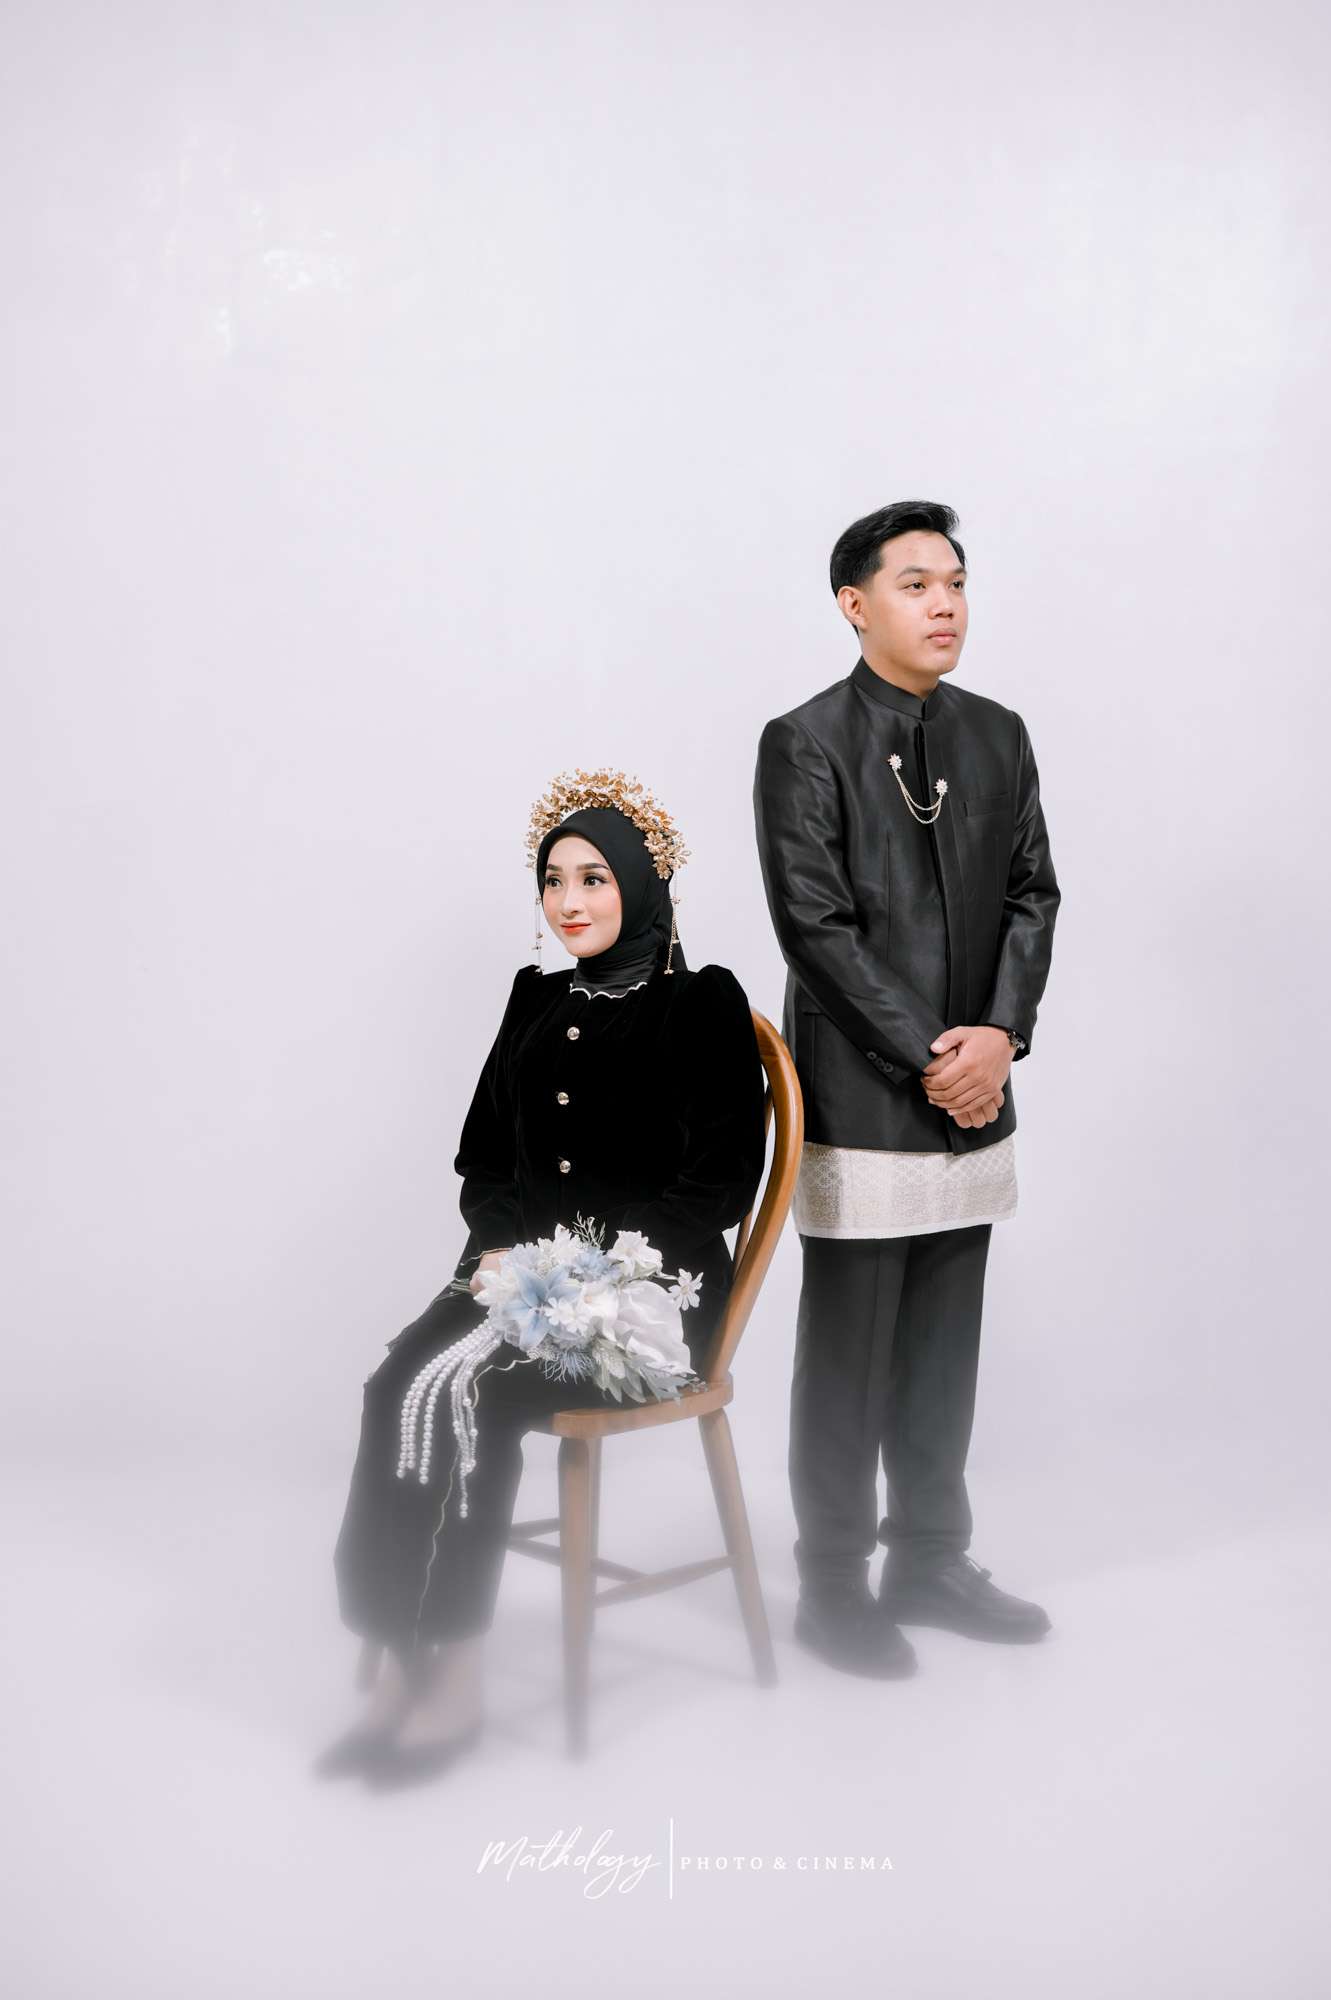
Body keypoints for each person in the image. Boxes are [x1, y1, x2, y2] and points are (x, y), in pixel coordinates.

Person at [320, 771, 768, 1785]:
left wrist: (600, 1277)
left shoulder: (699, 1001)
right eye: (553, 880)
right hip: (514, 1279)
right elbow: (483, 1155)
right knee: (395, 1385)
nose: (569, 901)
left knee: (471, 1398)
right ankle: (399, 1652)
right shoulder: (534, 997)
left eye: (593, 878)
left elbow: (718, 1178)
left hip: (645, 1298)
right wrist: (495, 1246)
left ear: (643, 884)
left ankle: (453, 1671)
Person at [753, 500, 1061, 1679]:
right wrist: (934, 1055)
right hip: (861, 1089)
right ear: (854, 604)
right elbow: (814, 928)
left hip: (976, 1086)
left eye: (956, 582)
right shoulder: (803, 741)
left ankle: (929, 1557)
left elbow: (1031, 893)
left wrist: (1000, 1036)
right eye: (915, 583)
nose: (944, 604)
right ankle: (832, 1580)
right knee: (849, 1347)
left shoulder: (997, 733)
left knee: (941, 1339)